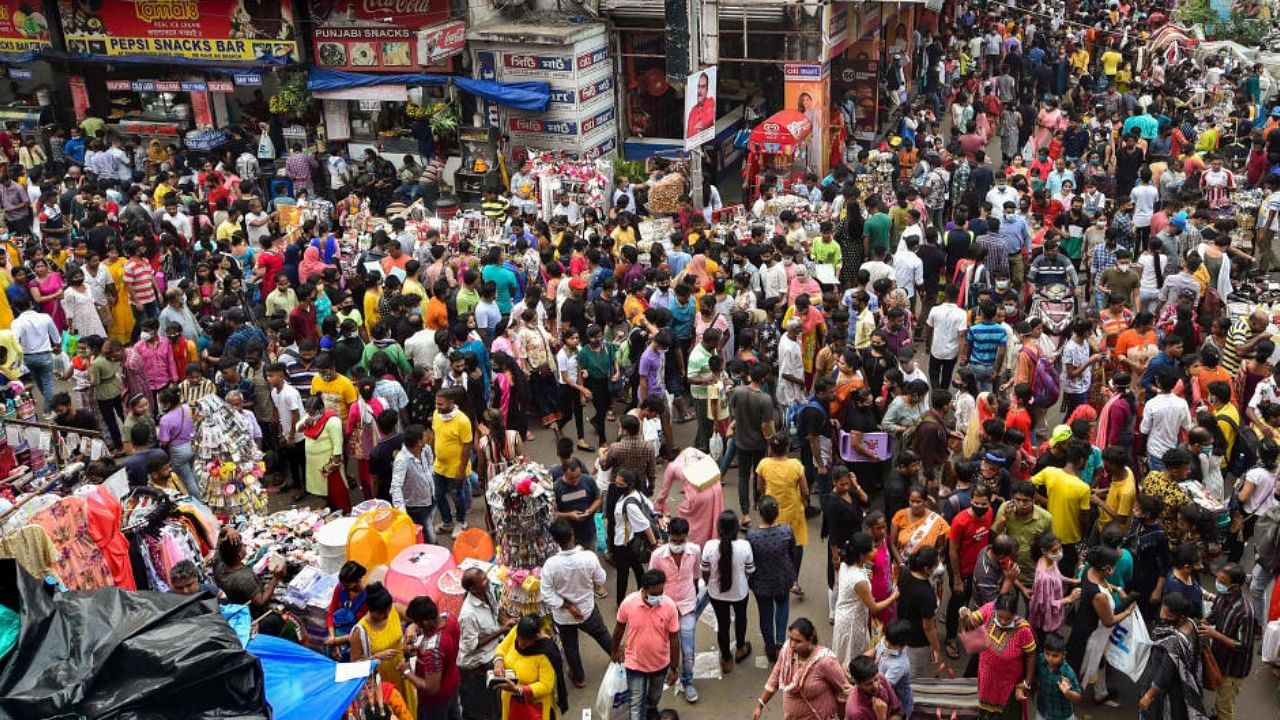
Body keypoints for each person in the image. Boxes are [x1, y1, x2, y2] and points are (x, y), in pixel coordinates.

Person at [540, 519, 612, 690]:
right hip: (587, 610)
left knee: (570, 646)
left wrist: (568, 606)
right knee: (601, 634)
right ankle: (617, 656)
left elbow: (546, 594)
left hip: (564, 617)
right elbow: (601, 579)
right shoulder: (588, 557)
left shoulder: (550, 565)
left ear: (555, 540)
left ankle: (579, 678)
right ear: (572, 534)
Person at [611, 569, 681, 720]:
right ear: (644, 589)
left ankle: (651, 709)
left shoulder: (669, 606)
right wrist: (614, 650)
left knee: (654, 697)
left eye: (660, 593)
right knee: (636, 706)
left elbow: (674, 639)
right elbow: (619, 628)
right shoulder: (628, 603)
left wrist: (674, 668)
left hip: (660, 664)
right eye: (654, 594)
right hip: (635, 664)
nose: (658, 597)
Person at [647, 516, 702, 703]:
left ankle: (688, 681)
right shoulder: (657, 556)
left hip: (687, 606)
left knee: (688, 650)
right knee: (665, 645)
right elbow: (650, 582)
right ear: (668, 536)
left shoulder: (694, 551)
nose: (677, 545)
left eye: (681, 541)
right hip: (664, 607)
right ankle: (667, 672)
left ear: (687, 537)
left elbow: (695, 575)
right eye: (673, 541)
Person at [753, 618, 851, 720]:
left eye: (798, 641)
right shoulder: (787, 652)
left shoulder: (826, 662)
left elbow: (844, 690)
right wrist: (760, 705)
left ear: (811, 639)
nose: (792, 645)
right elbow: (775, 677)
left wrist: (841, 716)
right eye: (791, 639)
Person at [960, 591, 1036, 719]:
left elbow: (1031, 655)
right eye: (1000, 617)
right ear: (995, 610)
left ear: (1015, 614)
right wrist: (965, 616)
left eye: (1008, 618)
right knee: (982, 712)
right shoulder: (989, 610)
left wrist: (1027, 682)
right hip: (986, 677)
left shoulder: (1023, 630)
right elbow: (970, 623)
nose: (1004, 621)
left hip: (1008, 685)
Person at [832, 531, 898, 668]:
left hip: (844, 615)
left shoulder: (846, 565)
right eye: (871, 549)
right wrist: (893, 597)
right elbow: (874, 607)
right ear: (862, 555)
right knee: (852, 660)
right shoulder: (859, 579)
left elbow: (839, 580)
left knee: (845, 654)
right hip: (852, 622)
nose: (875, 551)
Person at [747, 496, 799, 665]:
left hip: (761, 581)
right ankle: (780, 642)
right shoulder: (786, 531)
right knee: (782, 607)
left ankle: (770, 646)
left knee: (765, 613)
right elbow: (793, 553)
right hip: (782, 578)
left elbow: (750, 559)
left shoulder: (752, 536)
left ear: (760, 513)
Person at [1139, 593, 1207, 720]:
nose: (1163, 617)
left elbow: (1165, 673)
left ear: (1181, 617)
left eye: (1168, 615)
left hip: (1172, 690)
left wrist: (1149, 696)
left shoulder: (1174, 642)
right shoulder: (1193, 624)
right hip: (1184, 683)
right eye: (1162, 611)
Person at [1202, 563, 1257, 720]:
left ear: (1234, 586)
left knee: (1226, 704)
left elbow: (1243, 645)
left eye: (1222, 582)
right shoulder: (1222, 597)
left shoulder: (1245, 612)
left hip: (1233, 668)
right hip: (1219, 659)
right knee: (1221, 697)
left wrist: (1215, 634)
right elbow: (1214, 614)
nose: (1217, 584)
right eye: (1217, 579)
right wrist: (1204, 621)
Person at [702, 509, 754, 673]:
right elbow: (750, 570)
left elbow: (705, 570)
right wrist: (743, 581)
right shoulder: (744, 546)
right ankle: (740, 648)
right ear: (737, 529)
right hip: (740, 592)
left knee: (723, 624)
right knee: (741, 618)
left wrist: (708, 582)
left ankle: (726, 658)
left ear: (718, 529)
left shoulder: (710, 546)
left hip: (716, 594)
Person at [456, 566, 511, 720]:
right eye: (484, 580)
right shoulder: (468, 615)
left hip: (492, 656)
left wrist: (506, 621)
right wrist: (501, 631)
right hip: (476, 669)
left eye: (486, 577)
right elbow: (472, 646)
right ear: (473, 589)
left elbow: (497, 610)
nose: (488, 581)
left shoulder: (488, 591)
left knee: (496, 703)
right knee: (480, 711)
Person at [491, 615, 566, 720]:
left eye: (525, 643)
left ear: (536, 638)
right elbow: (502, 648)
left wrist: (519, 689)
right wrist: (499, 661)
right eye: (518, 640)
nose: (520, 645)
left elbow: (546, 686)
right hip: (510, 703)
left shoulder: (546, 653)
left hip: (534, 708)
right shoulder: (517, 632)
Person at [402, 595, 463, 720]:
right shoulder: (450, 619)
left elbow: (430, 688)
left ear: (424, 622)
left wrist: (406, 672)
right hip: (453, 683)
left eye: (416, 622)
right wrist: (419, 648)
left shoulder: (432, 649)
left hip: (435, 702)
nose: (416, 626)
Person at [212, 527, 284, 616]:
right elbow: (260, 602)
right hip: (250, 613)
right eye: (243, 545)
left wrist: (228, 530)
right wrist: (275, 579)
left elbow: (220, 540)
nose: (245, 545)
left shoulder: (218, 563)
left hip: (234, 601)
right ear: (240, 554)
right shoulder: (244, 579)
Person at [391, 424, 437, 544]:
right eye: (424, 436)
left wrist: (430, 471)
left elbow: (430, 458)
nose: (428, 436)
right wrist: (402, 513)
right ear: (418, 442)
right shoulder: (402, 460)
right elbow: (396, 487)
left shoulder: (424, 449)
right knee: (430, 537)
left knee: (427, 528)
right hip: (417, 507)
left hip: (430, 498)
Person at [300, 395, 346, 511]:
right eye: (308, 412)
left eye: (312, 412)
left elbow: (337, 444)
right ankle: (329, 506)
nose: (310, 415)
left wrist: (334, 463)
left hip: (327, 461)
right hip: (313, 462)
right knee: (321, 489)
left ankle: (339, 509)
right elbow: (298, 428)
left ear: (321, 409)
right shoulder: (310, 418)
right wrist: (306, 422)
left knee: (333, 489)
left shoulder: (333, 421)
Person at [1034, 632, 1083, 720]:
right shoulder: (1040, 660)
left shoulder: (1068, 672)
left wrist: (1068, 693)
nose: (1050, 658)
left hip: (1062, 715)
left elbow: (1078, 697)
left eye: (1055, 656)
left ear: (1063, 655)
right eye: (1047, 653)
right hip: (1042, 711)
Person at [325, 561, 368, 660]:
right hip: (337, 633)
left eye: (347, 585)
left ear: (358, 580)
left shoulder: (367, 598)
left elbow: (365, 630)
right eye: (342, 584)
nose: (343, 588)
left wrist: (337, 641)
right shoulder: (340, 588)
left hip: (355, 640)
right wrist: (332, 636)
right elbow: (331, 613)